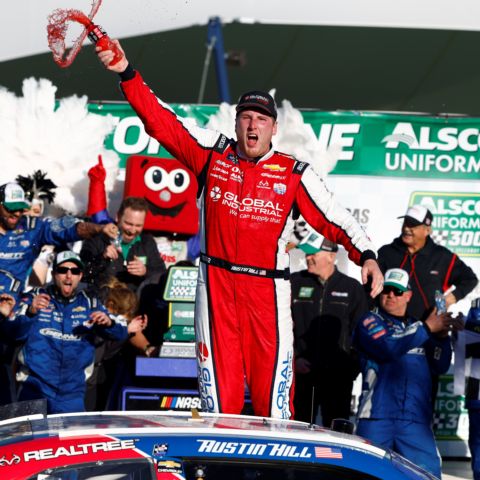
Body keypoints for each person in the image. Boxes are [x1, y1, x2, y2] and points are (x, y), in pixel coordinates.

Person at [94, 41, 384, 419]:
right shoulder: (212, 153)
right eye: (246, 116)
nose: (252, 124)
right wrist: (126, 72)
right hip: (216, 287)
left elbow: (336, 217)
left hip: (268, 292)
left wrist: (368, 256)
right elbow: (162, 122)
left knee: (275, 406)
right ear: (235, 122)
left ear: (273, 128)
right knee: (219, 404)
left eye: (261, 119)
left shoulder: (294, 173)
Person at [1, 251, 143, 414]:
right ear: (54, 273)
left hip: (72, 396)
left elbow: (120, 333)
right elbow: (11, 333)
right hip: (34, 390)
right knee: (28, 440)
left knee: (69, 439)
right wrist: (31, 312)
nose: (69, 276)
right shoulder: (34, 297)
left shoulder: (91, 303)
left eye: (74, 271)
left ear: (80, 275)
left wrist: (108, 323)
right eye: (63, 270)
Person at [354, 268, 461, 478]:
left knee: (427, 475)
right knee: (365, 475)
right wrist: (428, 328)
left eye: (398, 291)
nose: (391, 295)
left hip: (415, 421)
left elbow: (439, 366)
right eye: (387, 290)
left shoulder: (419, 326)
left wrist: (441, 337)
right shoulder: (370, 321)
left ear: (409, 295)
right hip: (376, 417)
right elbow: (388, 347)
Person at [291, 232, 368, 425]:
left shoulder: (352, 287)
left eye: (312, 254)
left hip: (338, 377)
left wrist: (350, 368)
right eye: (306, 253)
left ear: (331, 256)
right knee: (298, 428)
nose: (307, 258)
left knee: (336, 430)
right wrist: (294, 360)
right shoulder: (293, 282)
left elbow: (362, 332)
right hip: (303, 373)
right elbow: (282, 326)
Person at [0, 182, 119, 287]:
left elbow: (68, 230)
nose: (16, 213)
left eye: (20, 209)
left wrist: (100, 228)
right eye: (10, 209)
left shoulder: (33, 228)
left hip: (12, 303)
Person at [378, 204, 478, 321]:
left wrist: (449, 299)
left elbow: (470, 279)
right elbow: (371, 289)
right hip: (389, 327)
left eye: (413, 225)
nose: (406, 228)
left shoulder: (441, 256)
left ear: (427, 230)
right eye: (406, 223)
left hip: (428, 330)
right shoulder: (386, 252)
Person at [80, 196, 166, 293]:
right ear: (118, 217)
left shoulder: (147, 241)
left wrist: (145, 271)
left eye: (138, 225)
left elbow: (161, 273)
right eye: (129, 224)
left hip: (135, 304)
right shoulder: (97, 239)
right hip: (104, 303)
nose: (133, 230)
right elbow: (82, 274)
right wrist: (102, 258)